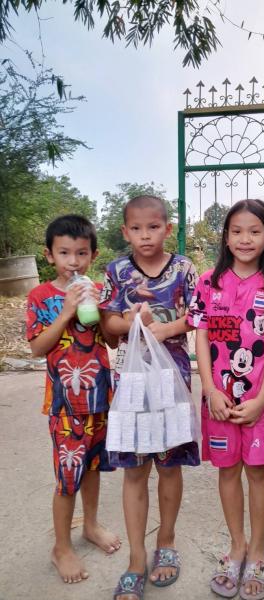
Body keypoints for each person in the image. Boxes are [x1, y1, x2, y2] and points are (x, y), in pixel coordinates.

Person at [100, 195, 200, 600]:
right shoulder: (116, 271)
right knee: (135, 470)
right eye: (137, 229)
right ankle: (136, 558)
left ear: (167, 228)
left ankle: (167, 541)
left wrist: (167, 328)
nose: (146, 235)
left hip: (172, 381)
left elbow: (199, 313)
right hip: (132, 384)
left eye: (154, 227)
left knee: (170, 466)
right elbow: (107, 323)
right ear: (125, 232)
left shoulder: (184, 269)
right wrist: (130, 321)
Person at [188, 199, 264, 600]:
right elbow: (200, 337)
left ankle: (258, 551)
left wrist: (262, 398)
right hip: (219, 403)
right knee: (227, 471)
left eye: (255, 231)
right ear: (226, 238)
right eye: (236, 231)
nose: (245, 239)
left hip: (258, 404)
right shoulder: (207, 283)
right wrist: (210, 390)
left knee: (258, 473)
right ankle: (236, 548)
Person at [26, 214, 121, 584]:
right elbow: (37, 348)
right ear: (49, 255)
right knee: (68, 477)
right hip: (64, 406)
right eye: (64, 253)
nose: (73, 261)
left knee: (93, 466)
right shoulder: (40, 296)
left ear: (93, 255)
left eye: (81, 253)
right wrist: (66, 312)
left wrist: (102, 311)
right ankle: (61, 547)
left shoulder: (97, 289)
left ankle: (91, 525)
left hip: (100, 399)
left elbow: (111, 341)